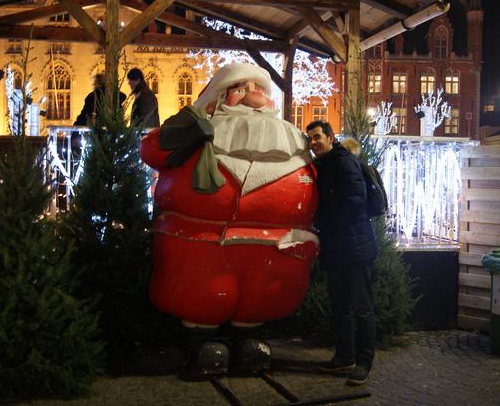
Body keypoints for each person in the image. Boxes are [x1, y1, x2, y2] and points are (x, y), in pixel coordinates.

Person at [139, 63, 318, 375]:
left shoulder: (292, 138)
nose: (251, 93)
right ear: (219, 96)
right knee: (202, 296)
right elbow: (152, 150)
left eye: (257, 87)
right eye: (240, 87)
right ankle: (200, 341)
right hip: (200, 244)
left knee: (258, 300)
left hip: (272, 249)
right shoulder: (197, 129)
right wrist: (194, 125)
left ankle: (248, 340)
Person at [306, 120, 378, 387]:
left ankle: (364, 362)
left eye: (317, 137)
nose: (314, 143)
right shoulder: (324, 164)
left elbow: (356, 202)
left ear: (330, 137)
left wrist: (325, 222)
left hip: (355, 246)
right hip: (337, 246)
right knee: (341, 307)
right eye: (310, 139)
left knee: (362, 308)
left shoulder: (343, 161)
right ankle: (345, 356)